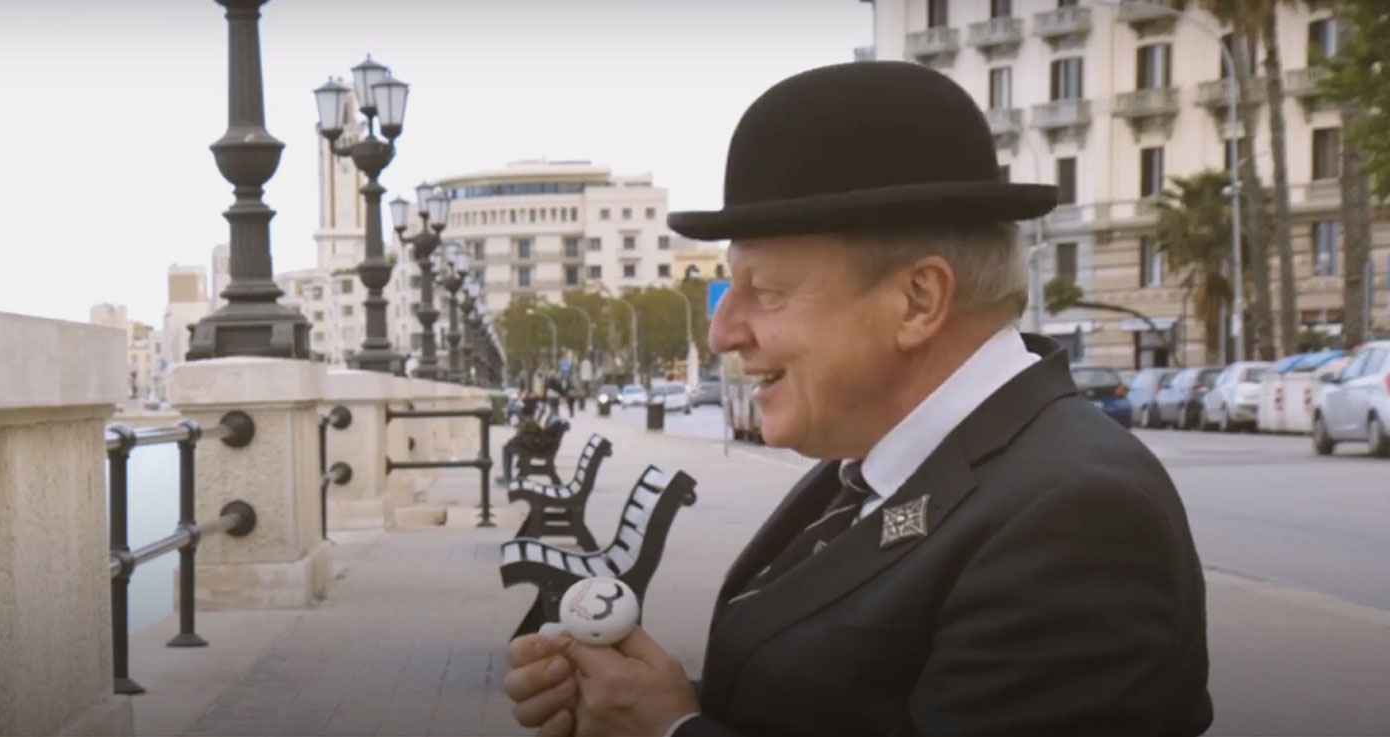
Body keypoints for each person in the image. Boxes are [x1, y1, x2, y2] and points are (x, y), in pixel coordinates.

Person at [501, 61, 1212, 736]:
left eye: (766, 291)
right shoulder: (876, 464)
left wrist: (671, 729)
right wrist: (637, 699)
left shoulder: (1076, 518)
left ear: (917, 300)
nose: (722, 333)